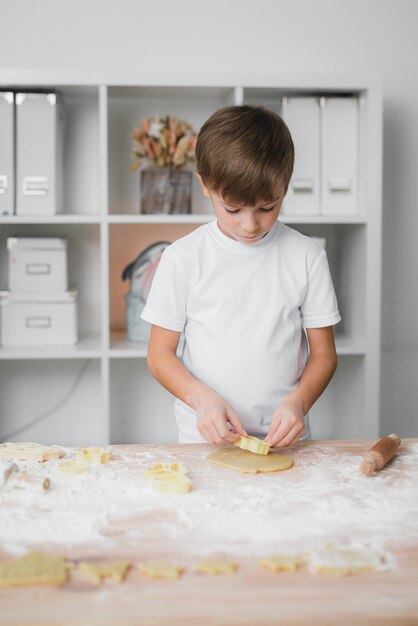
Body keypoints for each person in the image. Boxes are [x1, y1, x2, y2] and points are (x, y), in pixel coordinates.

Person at [141, 105, 341, 447]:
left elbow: (324, 354)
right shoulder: (183, 258)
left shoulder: (307, 256)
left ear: (285, 186)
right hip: (204, 440)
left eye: (267, 207)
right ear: (204, 184)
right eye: (232, 209)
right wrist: (201, 399)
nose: (250, 225)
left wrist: (299, 403)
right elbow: (160, 355)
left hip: (285, 441)